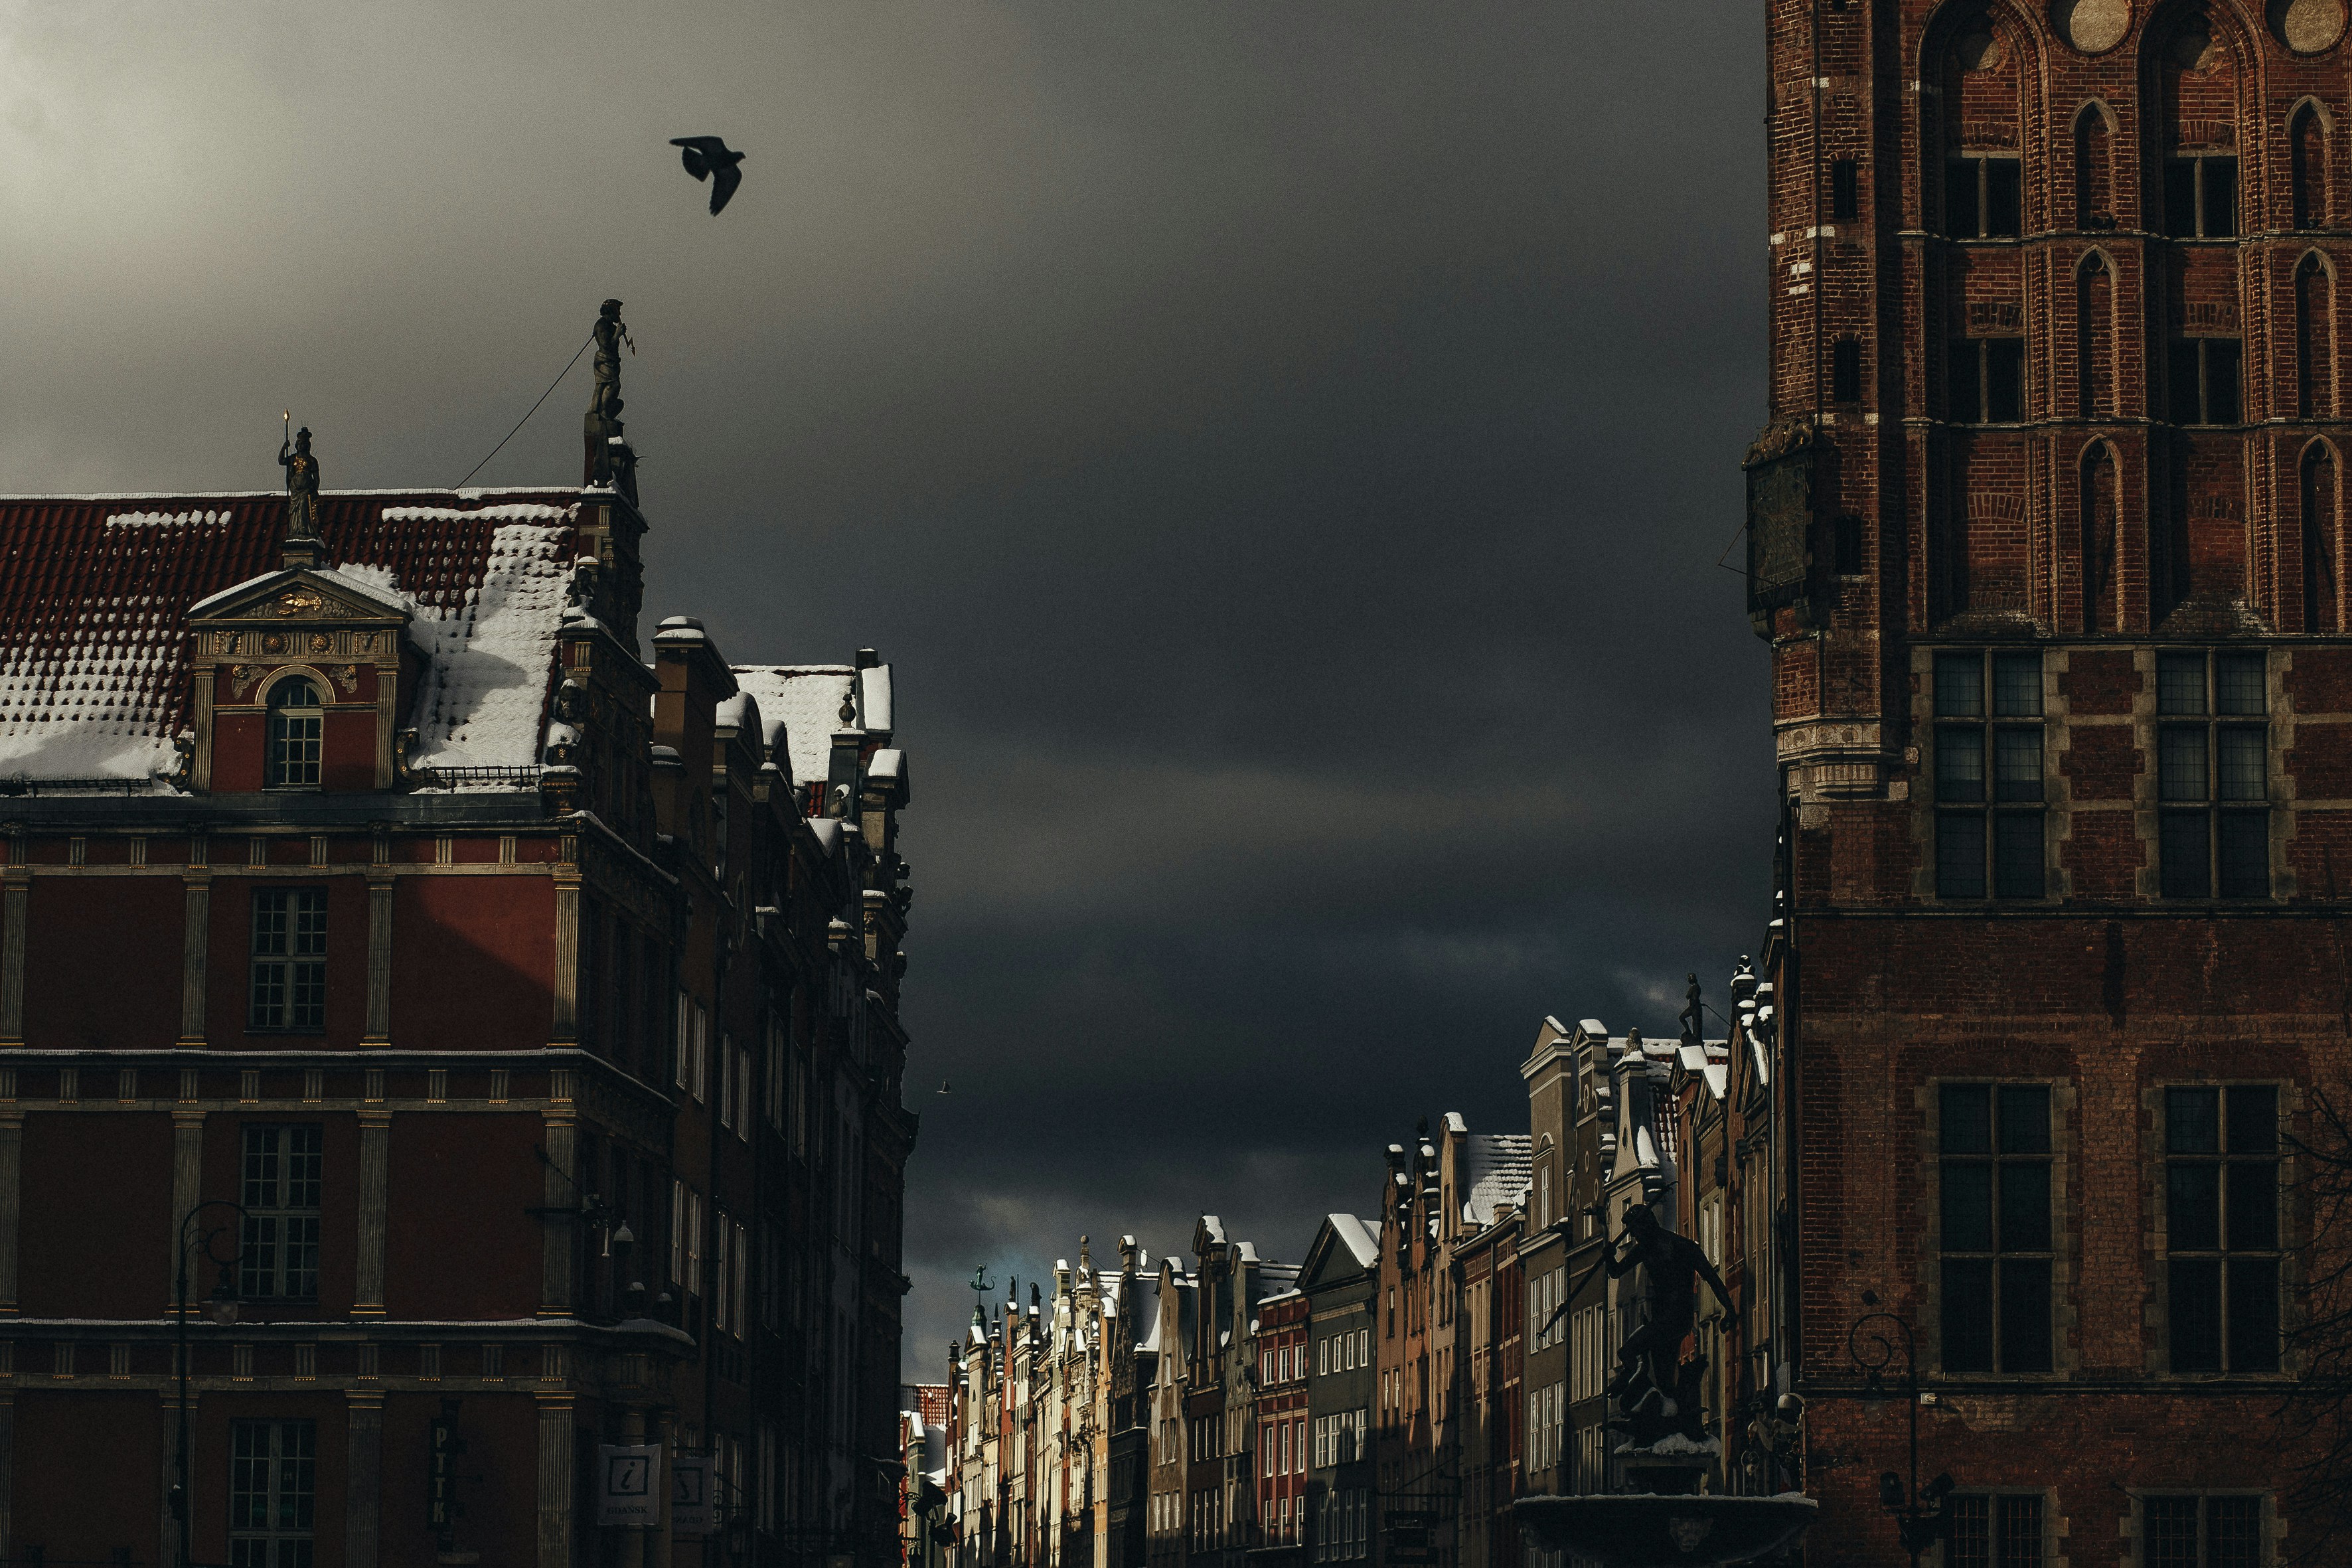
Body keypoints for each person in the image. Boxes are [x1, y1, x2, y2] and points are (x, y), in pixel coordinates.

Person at [1604, 1204, 1737, 1437]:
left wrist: (1730, 1310)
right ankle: (1676, 1420)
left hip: (1675, 1318)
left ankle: (1631, 1376)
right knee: (1665, 1377)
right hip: (1664, 1318)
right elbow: (1616, 1271)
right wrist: (1608, 1256)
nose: (1634, 1236)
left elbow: (1711, 1277)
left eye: (1635, 1231)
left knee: (1629, 1351)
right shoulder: (1645, 1248)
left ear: (1645, 1226)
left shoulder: (1681, 1246)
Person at [278, 425, 321, 540]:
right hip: (295, 489)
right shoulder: (293, 458)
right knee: (295, 510)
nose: (302, 446)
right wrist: (284, 447)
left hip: (307, 490)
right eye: (300, 444)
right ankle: (295, 529)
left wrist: (314, 490)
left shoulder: (312, 460)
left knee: (304, 504)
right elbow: (281, 461)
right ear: (297, 445)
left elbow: (316, 478)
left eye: (304, 444)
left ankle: (304, 528)